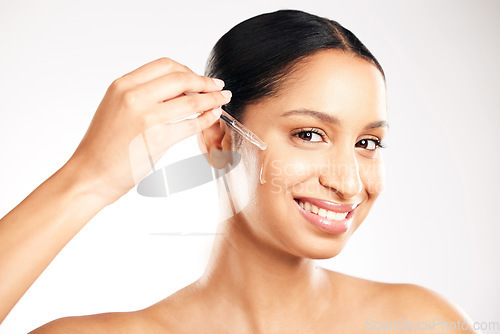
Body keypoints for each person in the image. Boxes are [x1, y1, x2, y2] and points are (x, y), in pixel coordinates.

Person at [0, 9, 477, 333]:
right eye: (309, 134)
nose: (349, 182)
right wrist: (87, 180)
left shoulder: (422, 323)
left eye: (368, 143)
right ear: (220, 140)